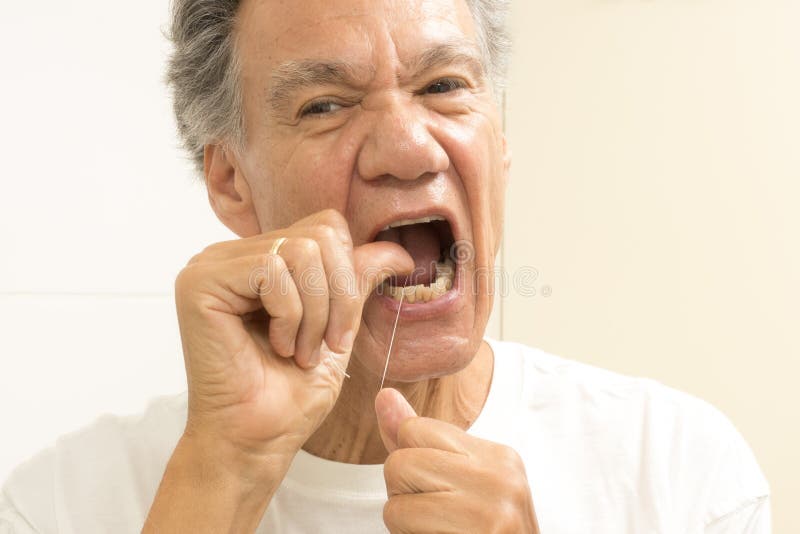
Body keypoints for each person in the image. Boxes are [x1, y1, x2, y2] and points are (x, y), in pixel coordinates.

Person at [0, 0, 770, 532]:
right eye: (324, 104)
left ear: (499, 142)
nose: (407, 148)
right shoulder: (58, 506)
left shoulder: (679, 476)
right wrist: (222, 476)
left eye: (445, 86)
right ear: (230, 180)